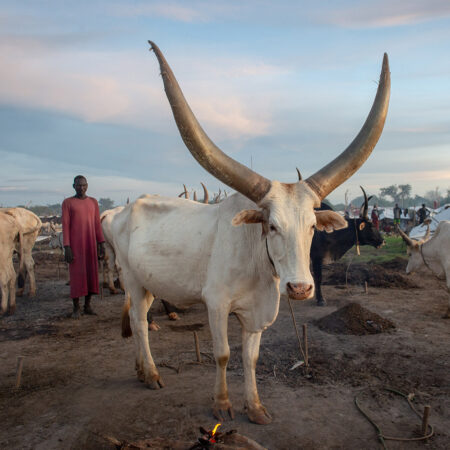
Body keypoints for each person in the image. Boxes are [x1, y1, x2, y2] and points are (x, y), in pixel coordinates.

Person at [62, 175, 105, 318]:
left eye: (84, 185)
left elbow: (97, 225)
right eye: (78, 185)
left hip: (90, 244)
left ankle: (87, 306)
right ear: (73, 186)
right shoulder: (68, 203)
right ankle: (76, 308)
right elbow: (66, 226)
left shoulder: (93, 202)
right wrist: (67, 246)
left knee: (91, 274)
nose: (81, 188)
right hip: (75, 245)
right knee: (76, 276)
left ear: (87, 186)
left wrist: (101, 243)